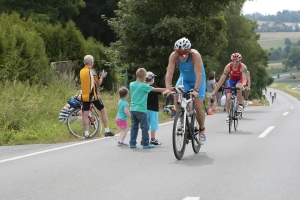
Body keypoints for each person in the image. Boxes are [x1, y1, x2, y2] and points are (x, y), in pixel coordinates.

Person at [164, 37, 206, 144]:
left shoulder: (195, 55)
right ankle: (181, 121)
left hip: (198, 81)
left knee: (197, 105)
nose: (181, 56)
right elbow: (169, 73)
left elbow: (199, 74)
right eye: (178, 53)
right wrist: (168, 88)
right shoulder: (173, 56)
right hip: (184, 80)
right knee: (177, 94)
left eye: (184, 53)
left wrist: (196, 90)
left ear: (189, 51)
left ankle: (202, 130)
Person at [129, 68, 166, 149]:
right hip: (141, 109)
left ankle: (132, 143)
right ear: (144, 77)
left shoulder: (131, 84)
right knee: (145, 127)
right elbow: (155, 89)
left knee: (134, 127)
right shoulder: (144, 86)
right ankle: (146, 143)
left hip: (132, 109)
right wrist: (167, 89)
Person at [80, 55, 115, 139]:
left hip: (84, 96)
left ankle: (86, 134)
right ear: (91, 62)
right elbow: (98, 83)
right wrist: (101, 77)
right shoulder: (92, 71)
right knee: (103, 110)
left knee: (85, 114)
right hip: (93, 96)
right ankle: (107, 130)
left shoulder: (81, 71)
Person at [211, 53, 247, 124]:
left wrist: (243, 85)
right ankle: (228, 115)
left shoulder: (243, 67)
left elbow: (244, 79)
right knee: (228, 98)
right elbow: (222, 79)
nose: (235, 63)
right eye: (233, 61)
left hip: (240, 80)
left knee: (238, 87)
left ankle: (240, 105)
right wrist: (215, 91)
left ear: (240, 61)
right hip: (231, 81)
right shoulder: (228, 67)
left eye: (237, 61)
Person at [145, 71, 162, 145]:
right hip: (153, 109)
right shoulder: (154, 87)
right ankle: (152, 139)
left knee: (146, 125)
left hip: (145, 108)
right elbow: (161, 92)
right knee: (153, 124)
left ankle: (144, 139)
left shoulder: (144, 87)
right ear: (152, 79)